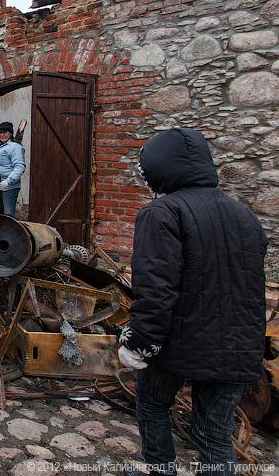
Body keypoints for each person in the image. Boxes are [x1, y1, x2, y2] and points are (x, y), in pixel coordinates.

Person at [117, 127, 267, 475]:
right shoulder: (244, 215)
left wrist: (139, 344)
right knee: (214, 436)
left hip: (180, 344)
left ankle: (161, 470)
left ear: (160, 167)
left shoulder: (162, 213)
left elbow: (156, 290)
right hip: (236, 346)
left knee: (153, 404)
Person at [0, 121, 25, 218]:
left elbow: (19, 167)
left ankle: (8, 233)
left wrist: (8, 181)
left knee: (8, 216)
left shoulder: (15, 147)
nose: (2, 135)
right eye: (0, 132)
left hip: (8, 188)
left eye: (4, 132)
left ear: (10, 133)